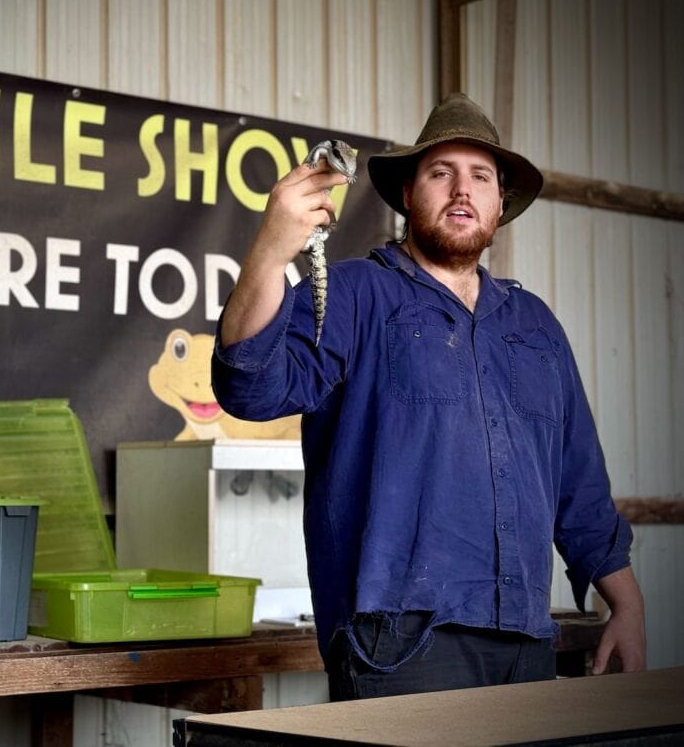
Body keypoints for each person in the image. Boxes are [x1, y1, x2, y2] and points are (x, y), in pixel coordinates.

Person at [211, 93, 646, 700]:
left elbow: (581, 487)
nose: (461, 190)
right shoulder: (356, 295)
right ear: (409, 196)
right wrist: (273, 245)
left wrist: (626, 606)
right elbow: (249, 386)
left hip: (525, 641)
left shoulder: (536, 327)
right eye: (441, 173)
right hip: (399, 644)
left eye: (480, 177)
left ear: (501, 203)